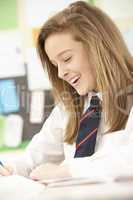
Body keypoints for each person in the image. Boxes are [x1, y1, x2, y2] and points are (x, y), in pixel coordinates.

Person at [0, 0, 133, 181]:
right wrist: (11, 169)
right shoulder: (69, 108)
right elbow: (34, 158)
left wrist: (68, 171)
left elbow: (127, 160)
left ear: (98, 47)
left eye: (67, 58)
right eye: (55, 65)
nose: (61, 73)